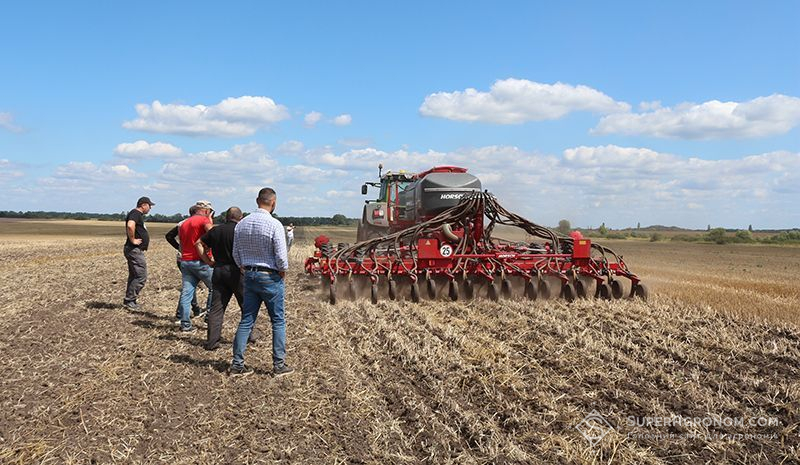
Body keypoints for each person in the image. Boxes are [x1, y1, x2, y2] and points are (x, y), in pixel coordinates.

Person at [230, 187, 292, 377]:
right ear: (273, 202)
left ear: (257, 200)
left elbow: (235, 253)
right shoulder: (274, 225)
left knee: (247, 320)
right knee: (278, 321)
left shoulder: (241, 224)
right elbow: (281, 256)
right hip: (270, 276)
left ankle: (237, 365)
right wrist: (282, 271)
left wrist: (244, 266)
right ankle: (278, 365)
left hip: (249, 275)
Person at [195, 207, 258, 350]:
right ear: (240, 217)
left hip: (219, 270)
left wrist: (208, 261)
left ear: (226, 217)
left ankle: (212, 342)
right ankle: (250, 335)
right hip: (237, 272)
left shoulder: (215, 230)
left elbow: (198, 243)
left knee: (216, 308)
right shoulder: (241, 231)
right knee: (246, 306)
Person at [177, 200, 215, 332]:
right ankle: (209, 319)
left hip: (185, 261)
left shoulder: (184, 223)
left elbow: (181, 243)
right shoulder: (203, 221)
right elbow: (213, 235)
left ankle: (185, 324)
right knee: (214, 288)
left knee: (187, 294)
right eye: (210, 211)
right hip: (200, 262)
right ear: (206, 210)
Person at [165, 205, 203, 320]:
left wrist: (179, 248)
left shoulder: (181, 223)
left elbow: (169, 236)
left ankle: (193, 310)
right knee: (190, 287)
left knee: (190, 286)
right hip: (193, 258)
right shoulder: (199, 223)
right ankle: (182, 313)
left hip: (181, 258)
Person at [123, 196, 155, 310]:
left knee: (134, 275)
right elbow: (130, 225)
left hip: (134, 250)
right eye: (149, 206)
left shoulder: (137, 214)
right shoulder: (135, 213)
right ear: (143, 205)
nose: (150, 208)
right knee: (141, 276)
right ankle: (130, 300)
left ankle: (129, 300)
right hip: (134, 249)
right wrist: (133, 240)